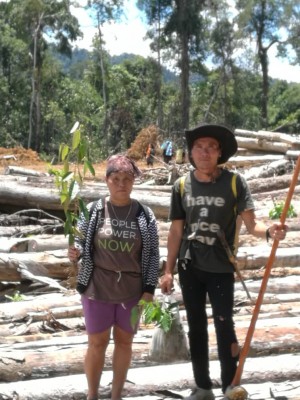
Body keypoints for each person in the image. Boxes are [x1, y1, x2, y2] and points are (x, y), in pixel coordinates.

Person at [160, 123, 287, 400]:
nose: (204, 152)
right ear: (191, 153)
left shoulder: (234, 182)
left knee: (224, 323)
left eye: (211, 147)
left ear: (219, 153)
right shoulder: (181, 185)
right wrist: (167, 270)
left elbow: (252, 224)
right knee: (196, 325)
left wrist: (268, 231)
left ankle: (230, 384)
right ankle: (202, 386)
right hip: (189, 265)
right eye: (199, 147)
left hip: (220, 266)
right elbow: (176, 231)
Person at [68, 154, 160, 400]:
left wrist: (149, 289)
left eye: (127, 179)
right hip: (97, 287)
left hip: (131, 289)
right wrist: (75, 253)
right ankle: (92, 395)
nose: (122, 183)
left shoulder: (144, 215)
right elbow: (79, 240)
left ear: (133, 182)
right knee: (97, 343)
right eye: (116, 178)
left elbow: (152, 253)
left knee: (124, 342)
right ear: (107, 180)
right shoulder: (94, 210)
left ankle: (116, 395)